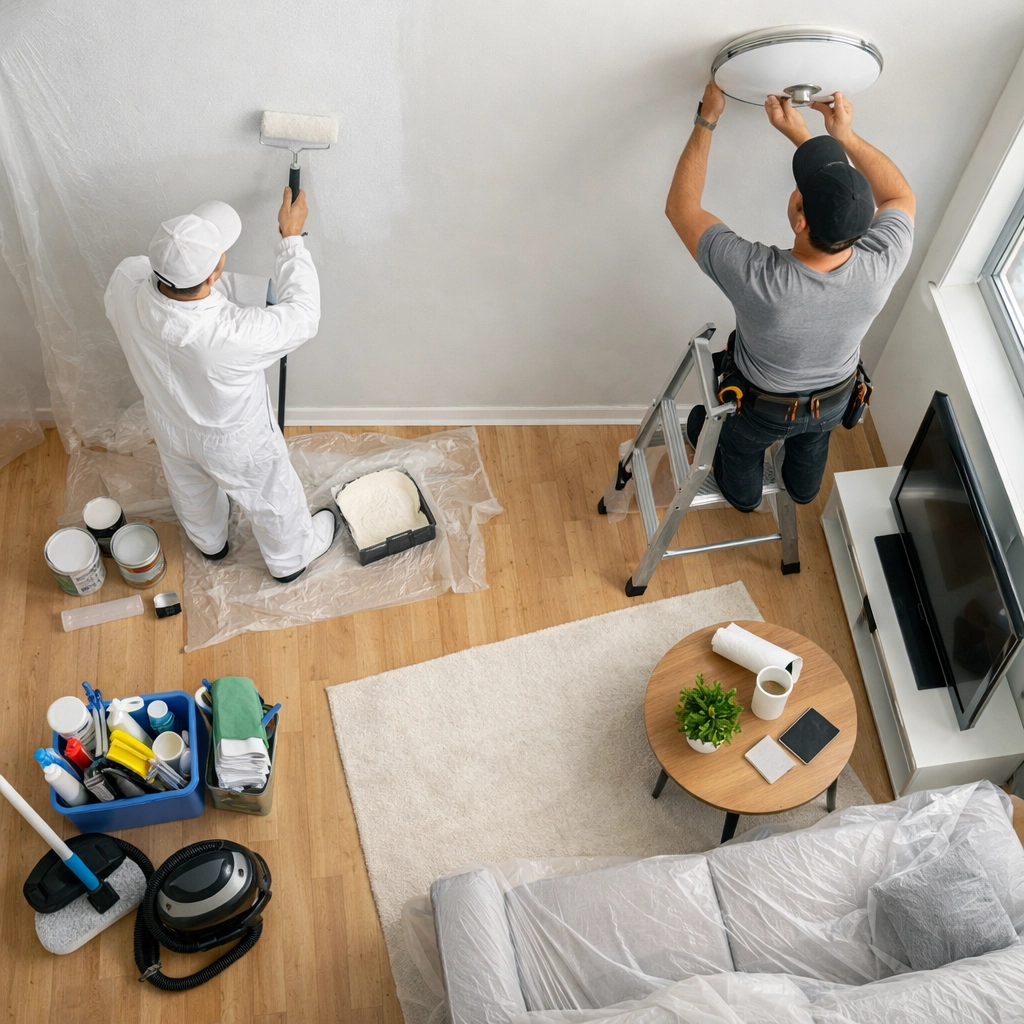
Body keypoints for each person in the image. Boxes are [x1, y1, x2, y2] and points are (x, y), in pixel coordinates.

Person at [665, 81, 915, 512]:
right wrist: (840, 136)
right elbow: (899, 194)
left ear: (800, 222)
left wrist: (707, 117)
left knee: (735, 451)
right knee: (811, 444)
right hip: (835, 400)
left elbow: (681, 208)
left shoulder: (759, 277)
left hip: (761, 413)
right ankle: (801, 491)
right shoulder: (883, 260)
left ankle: (743, 499)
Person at [104, 188, 336, 582]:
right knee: (270, 494)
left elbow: (179, 293)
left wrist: (250, 289)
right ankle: (290, 559)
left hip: (168, 422)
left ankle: (211, 543)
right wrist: (292, 239)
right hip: (235, 441)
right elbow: (302, 315)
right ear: (215, 271)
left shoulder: (126, 279)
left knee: (188, 486)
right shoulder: (232, 336)